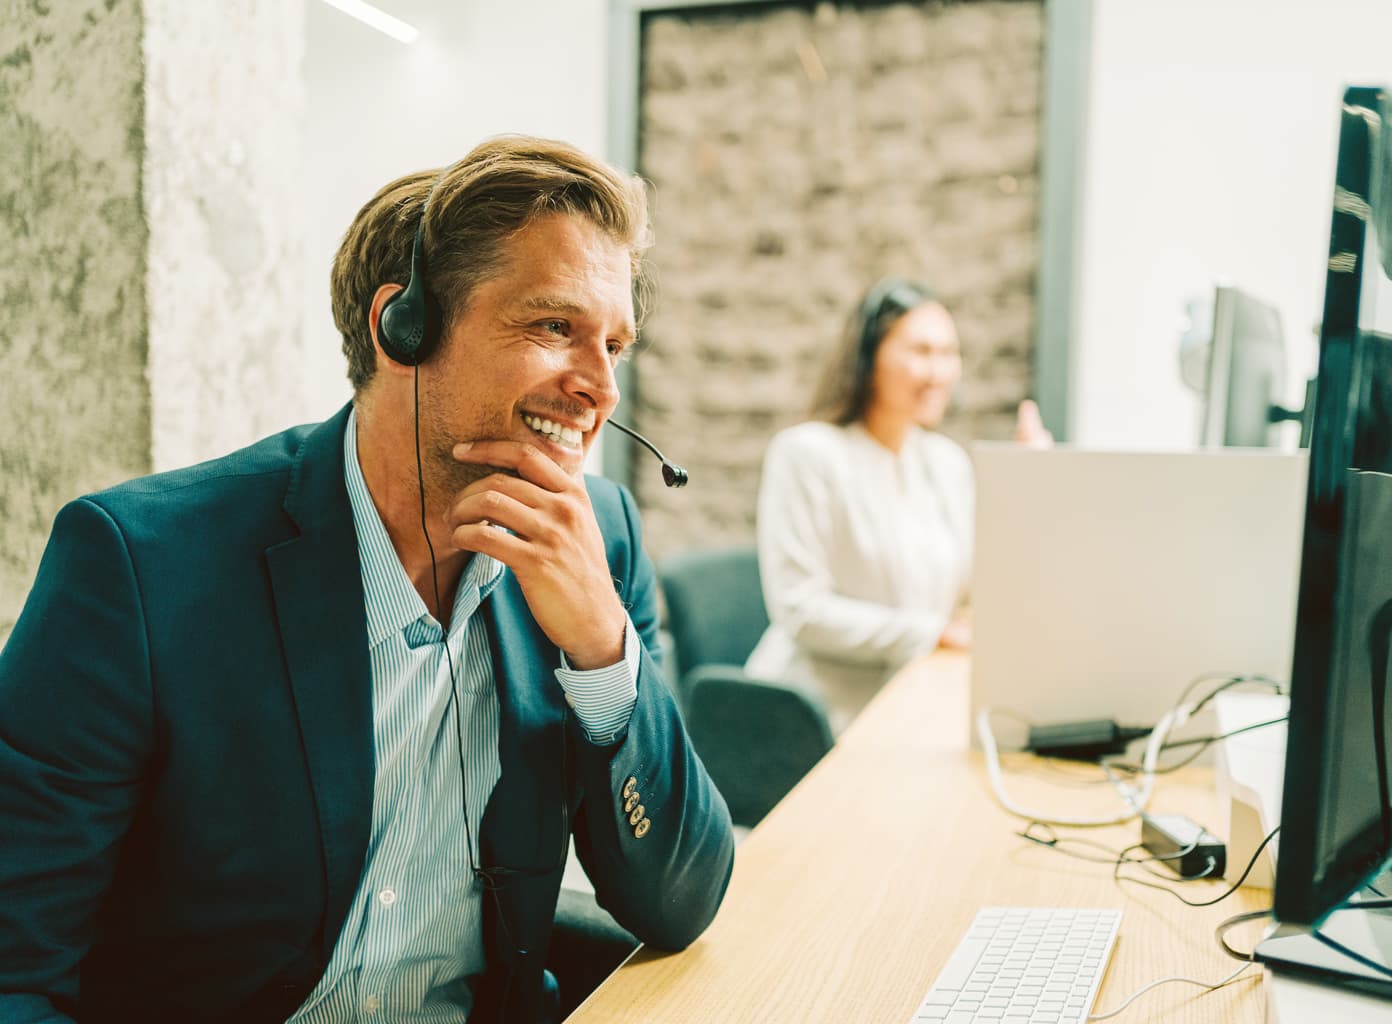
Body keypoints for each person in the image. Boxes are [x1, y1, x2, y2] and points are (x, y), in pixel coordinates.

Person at [0, 137, 734, 1023]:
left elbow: (682, 899)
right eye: (554, 327)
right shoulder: (140, 566)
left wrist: (602, 651)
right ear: (402, 329)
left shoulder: (597, 541)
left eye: (615, 345)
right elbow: (16, 965)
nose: (601, 388)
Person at [744, 278, 1052, 734]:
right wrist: (933, 632)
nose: (939, 372)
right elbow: (800, 609)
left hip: (913, 697)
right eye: (921, 352)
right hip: (815, 717)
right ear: (869, 358)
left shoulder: (945, 461)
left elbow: (975, 588)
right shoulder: (806, 453)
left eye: (948, 353)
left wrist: (1028, 488)